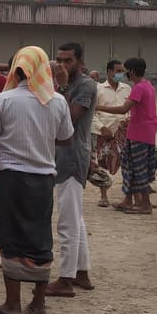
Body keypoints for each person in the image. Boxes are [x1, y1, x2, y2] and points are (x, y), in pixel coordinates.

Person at [0, 47, 74, 314]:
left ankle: (12, 303)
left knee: (10, 237)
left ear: (15, 70)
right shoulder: (57, 101)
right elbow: (66, 137)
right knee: (40, 236)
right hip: (44, 178)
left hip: (12, 177)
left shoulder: (5, 99)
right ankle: (39, 302)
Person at [48, 43, 97, 296]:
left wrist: (63, 85)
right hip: (64, 157)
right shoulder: (62, 82)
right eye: (59, 60)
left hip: (72, 157)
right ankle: (81, 272)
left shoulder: (85, 85)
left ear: (79, 60)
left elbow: (68, 119)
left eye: (67, 60)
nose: (62, 65)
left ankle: (66, 279)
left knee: (67, 221)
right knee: (75, 217)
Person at [97, 57, 157, 214]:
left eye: (125, 70)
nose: (124, 74)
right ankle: (128, 200)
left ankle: (145, 203)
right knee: (129, 166)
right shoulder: (147, 85)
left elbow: (123, 109)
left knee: (137, 168)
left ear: (132, 71)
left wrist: (97, 107)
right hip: (141, 131)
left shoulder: (138, 88)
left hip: (139, 133)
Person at [92, 60, 130, 207]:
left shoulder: (127, 89)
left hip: (123, 132)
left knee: (127, 163)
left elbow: (130, 110)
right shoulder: (98, 90)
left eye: (122, 71)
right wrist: (101, 128)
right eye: (118, 71)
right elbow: (92, 113)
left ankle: (129, 196)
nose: (121, 74)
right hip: (104, 132)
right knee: (102, 162)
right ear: (109, 72)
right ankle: (103, 195)